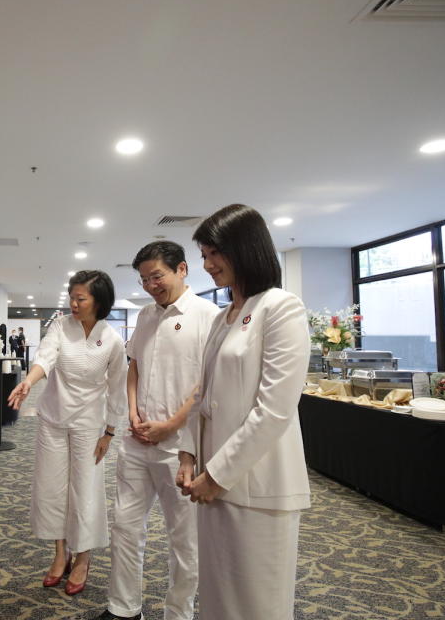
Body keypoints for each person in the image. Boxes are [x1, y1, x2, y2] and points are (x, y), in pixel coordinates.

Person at [182, 204, 311, 619]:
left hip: (256, 483)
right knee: (219, 598)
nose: (208, 264)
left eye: (214, 253)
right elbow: (203, 394)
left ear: (245, 248)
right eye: (203, 255)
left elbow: (275, 408)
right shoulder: (224, 317)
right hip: (212, 479)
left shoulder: (281, 307)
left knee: (258, 604)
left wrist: (219, 474)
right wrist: (188, 454)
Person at [98, 242, 219, 620]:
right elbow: (134, 367)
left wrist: (171, 424)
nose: (151, 285)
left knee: (184, 540)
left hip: (180, 447)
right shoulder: (146, 316)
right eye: (145, 279)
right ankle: (123, 608)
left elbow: (206, 384)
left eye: (157, 276)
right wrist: (132, 412)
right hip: (137, 443)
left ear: (182, 269)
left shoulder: (208, 317)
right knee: (124, 527)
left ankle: (177, 614)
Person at [7, 270, 127, 596]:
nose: (73, 303)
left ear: (98, 301)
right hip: (54, 420)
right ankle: (61, 553)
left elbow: (118, 390)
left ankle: (84, 556)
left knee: (85, 490)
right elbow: (46, 355)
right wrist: (29, 381)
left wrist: (110, 433)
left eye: (80, 298)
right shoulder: (60, 325)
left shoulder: (112, 340)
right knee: (52, 489)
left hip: (90, 425)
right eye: (72, 297)